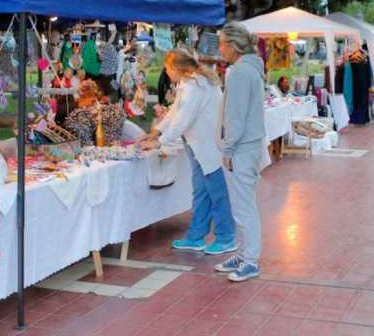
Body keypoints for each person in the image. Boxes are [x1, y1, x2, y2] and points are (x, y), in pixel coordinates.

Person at [140, 49, 236, 255]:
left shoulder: (196, 86)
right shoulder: (189, 83)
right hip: (197, 145)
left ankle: (226, 236)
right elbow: (176, 110)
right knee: (201, 191)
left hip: (209, 145)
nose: (166, 72)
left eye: (167, 68)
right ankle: (196, 236)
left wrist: (160, 142)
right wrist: (155, 132)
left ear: (177, 68)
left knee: (217, 192)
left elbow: (184, 119)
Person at [213, 22, 266, 282]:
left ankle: (251, 259)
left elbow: (236, 116)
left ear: (232, 45)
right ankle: (246, 253)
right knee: (242, 203)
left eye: (221, 43)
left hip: (242, 148)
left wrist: (228, 148)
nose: (219, 48)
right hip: (248, 145)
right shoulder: (250, 68)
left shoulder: (239, 72)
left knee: (243, 205)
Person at [61, 79, 125, 146]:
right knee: (79, 127)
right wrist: (79, 104)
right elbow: (60, 111)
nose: (86, 91)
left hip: (102, 114)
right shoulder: (77, 112)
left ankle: (108, 147)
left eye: (87, 89)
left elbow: (115, 93)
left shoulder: (113, 109)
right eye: (84, 90)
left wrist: (109, 98)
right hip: (81, 118)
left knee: (118, 112)